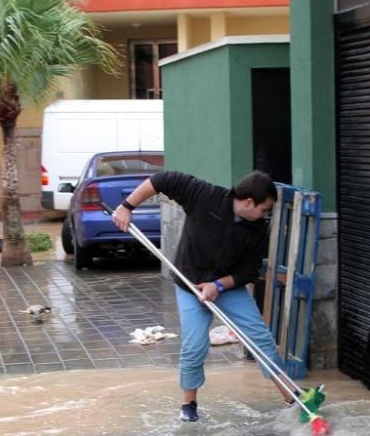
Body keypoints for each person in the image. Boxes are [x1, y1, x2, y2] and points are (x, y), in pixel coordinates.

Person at [112, 169, 296, 422]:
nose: (266, 215)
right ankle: (189, 404)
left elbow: (249, 271)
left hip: (227, 288)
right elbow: (162, 180)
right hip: (190, 285)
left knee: (260, 338)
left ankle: (292, 397)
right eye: (264, 209)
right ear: (248, 202)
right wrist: (126, 205)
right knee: (195, 345)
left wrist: (218, 286)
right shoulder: (204, 195)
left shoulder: (256, 230)